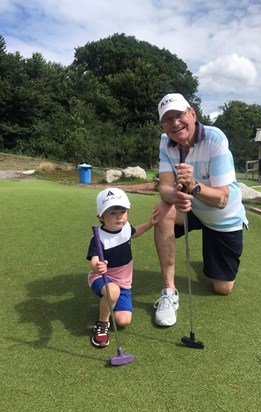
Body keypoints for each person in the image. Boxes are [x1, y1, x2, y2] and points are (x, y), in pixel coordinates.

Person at [153, 93, 248, 327]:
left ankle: (211, 259)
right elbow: (164, 187)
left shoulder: (215, 138)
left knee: (222, 288)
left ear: (192, 114)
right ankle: (169, 291)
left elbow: (222, 199)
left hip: (222, 217)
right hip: (191, 210)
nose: (175, 123)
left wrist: (194, 187)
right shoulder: (166, 141)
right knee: (163, 209)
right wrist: (174, 195)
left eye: (179, 115)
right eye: (167, 120)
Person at [87, 188, 159, 348]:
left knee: (123, 321)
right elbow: (94, 260)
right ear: (100, 216)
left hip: (124, 283)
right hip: (101, 277)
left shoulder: (126, 228)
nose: (119, 216)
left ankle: (108, 302)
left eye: (122, 211)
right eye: (112, 212)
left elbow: (135, 232)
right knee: (113, 291)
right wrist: (98, 267)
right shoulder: (99, 237)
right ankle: (102, 324)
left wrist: (149, 224)